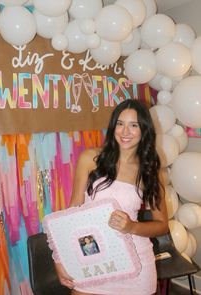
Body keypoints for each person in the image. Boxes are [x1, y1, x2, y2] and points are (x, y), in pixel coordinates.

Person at [55, 99, 168, 295]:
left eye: (134, 125)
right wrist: (60, 259)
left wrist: (132, 227)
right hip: (92, 259)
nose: (125, 132)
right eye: (120, 124)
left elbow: (162, 225)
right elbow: (70, 213)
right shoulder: (90, 159)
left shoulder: (149, 170)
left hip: (136, 266)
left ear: (144, 130)